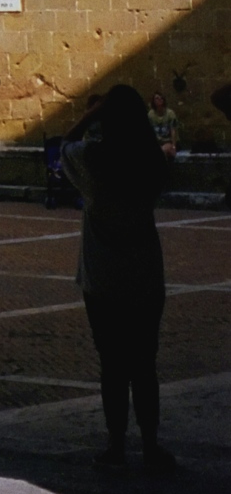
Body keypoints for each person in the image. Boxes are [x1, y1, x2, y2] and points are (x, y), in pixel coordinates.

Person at [62, 83, 173, 471]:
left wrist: (89, 115)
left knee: (112, 364)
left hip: (102, 275)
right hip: (144, 272)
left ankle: (115, 444)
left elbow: (63, 149)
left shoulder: (93, 159)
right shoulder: (152, 163)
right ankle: (151, 444)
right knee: (144, 363)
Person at [148, 91, 179, 158]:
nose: (159, 99)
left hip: (168, 142)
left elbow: (173, 130)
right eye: (157, 98)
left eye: (161, 98)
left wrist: (174, 146)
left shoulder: (170, 113)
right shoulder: (150, 114)